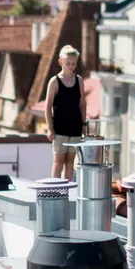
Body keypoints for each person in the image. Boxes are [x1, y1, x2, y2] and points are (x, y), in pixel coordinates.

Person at [45, 45, 85, 178]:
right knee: (58, 162)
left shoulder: (79, 80)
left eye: (74, 63)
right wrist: (50, 128)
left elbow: (82, 104)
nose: (71, 66)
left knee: (70, 162)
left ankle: (67, 190)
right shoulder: (54, 81)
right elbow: (47, 106)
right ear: (60, 62)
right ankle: (55, 189)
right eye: (68, 63)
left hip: (75, 128)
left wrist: (83, 125)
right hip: (60, 128)